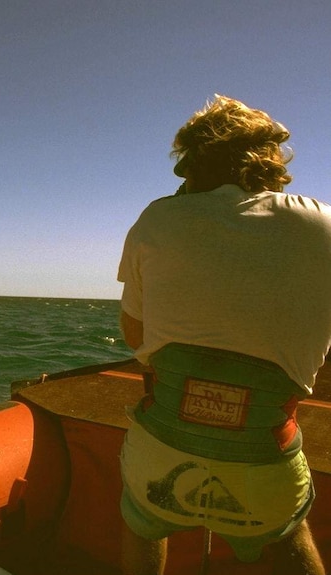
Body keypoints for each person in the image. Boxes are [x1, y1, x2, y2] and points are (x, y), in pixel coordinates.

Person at [117, 95, 331, 575]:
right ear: (272, 158)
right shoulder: (324, 223)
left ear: (191, 164)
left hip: (161, 452)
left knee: (142, 519)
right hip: (265, 461)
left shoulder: (156, 218)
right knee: (289, 531)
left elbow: (136, 338)